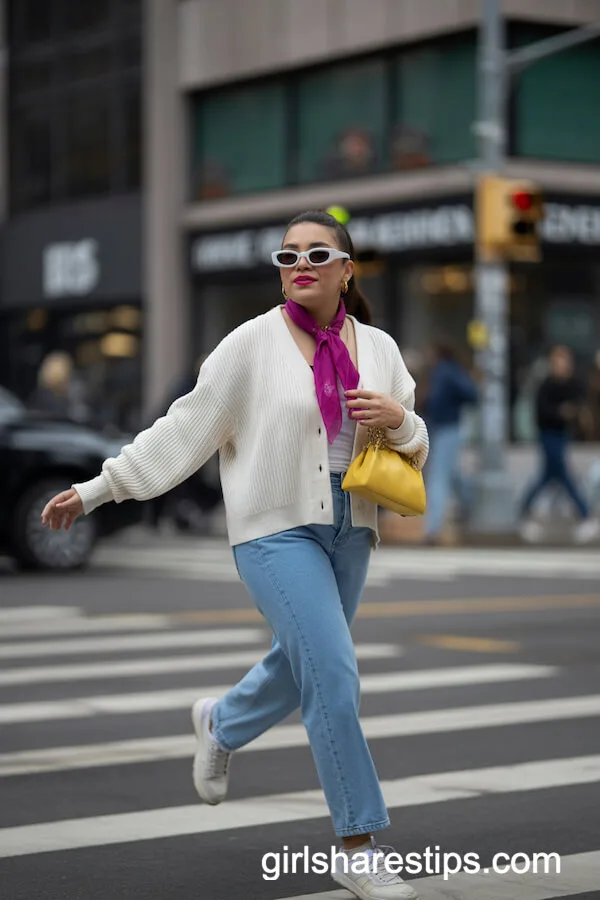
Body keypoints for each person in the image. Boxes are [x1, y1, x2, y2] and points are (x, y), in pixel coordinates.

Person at [41, 209, 429, 900]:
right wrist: (98, 488)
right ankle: (358, 844)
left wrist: (400, 421)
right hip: (274, 530)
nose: (301, 263)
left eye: (317, 253)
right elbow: (183, 428)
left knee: (302, 664)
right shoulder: (250, 344)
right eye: (288, 255)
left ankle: (220, 722)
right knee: (333, 674)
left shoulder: (380, 349)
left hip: (352, 526)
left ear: (346, 271)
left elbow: (415, 443)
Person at [520, 345, 599, 544]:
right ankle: (585, 514)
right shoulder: (546, 385)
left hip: (562, 435)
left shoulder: (572, 384)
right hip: (548, 434)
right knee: (562, 475)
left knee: (548, 475)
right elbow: (541, 412)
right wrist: (560, 412)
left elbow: (581, 402)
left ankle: (523, 512)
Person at [420, 340, 478, 545]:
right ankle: (473, 506)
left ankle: (432, 529)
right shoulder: (451, 371)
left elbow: (468, 394)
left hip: (445, 428)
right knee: (451, 475)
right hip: (448, 427)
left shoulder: (445, 371)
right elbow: (471, 394)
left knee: (438, 477)